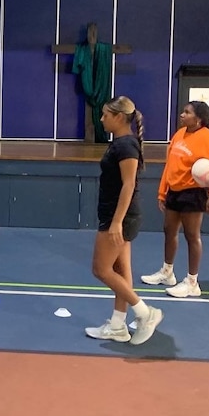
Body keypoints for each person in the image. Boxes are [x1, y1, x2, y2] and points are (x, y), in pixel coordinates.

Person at [84, 96, 163, 345]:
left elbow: (129, 185)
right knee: (120, 270)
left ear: (119, 117)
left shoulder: (126, 146)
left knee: (101, 269)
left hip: (119, 217)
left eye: (106, 115)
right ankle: (118, 326)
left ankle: (145, 313)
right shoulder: (120, 143)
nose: (102, 119)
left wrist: (117, 222)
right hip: (117, 214)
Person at [140, 100, 209, 298]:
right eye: (183, 112)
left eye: (187, 112)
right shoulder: (179, 135)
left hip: (193, 192)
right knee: (169, 230)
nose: (182, 115)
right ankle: (167, 272)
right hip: (175, 190)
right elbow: (170, 165)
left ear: (198, 119)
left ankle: (192, 282)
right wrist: (162, 192)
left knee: (192, 235)